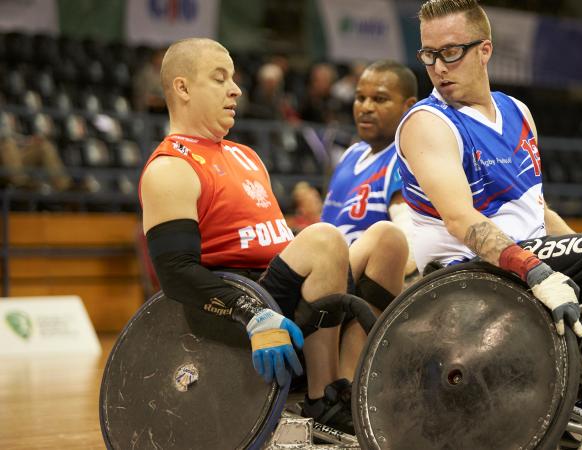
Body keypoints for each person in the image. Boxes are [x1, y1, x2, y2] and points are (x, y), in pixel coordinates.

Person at [397, 0, 582, 424]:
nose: (438, 67)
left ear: (485, 50)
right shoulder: (428, 122)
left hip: (529, 251)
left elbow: (537, 207)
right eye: (428, 55)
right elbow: (462, 220)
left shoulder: (518, 112)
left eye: (450, 52)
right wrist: (535, 268)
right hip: (469, 270)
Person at [139, 38, 406, 434]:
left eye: (233, 78)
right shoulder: (170, 167)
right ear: (182, 88)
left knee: (388, 239)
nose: (236, 90)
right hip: (240, 307)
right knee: (324, 239)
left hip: (287, 294)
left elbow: (271, 240)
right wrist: (251, 313)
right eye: (220, 79)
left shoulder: (247, 156)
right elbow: (175, 273)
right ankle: (322, 399)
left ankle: (351, 389)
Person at [321, 60, 419, 277]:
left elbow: (409, 253)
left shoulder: (407, 157)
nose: (366, 107)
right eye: (360, 98)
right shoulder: (351, 154)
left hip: (359, 294)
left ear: (408, 106)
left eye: (379, 99)